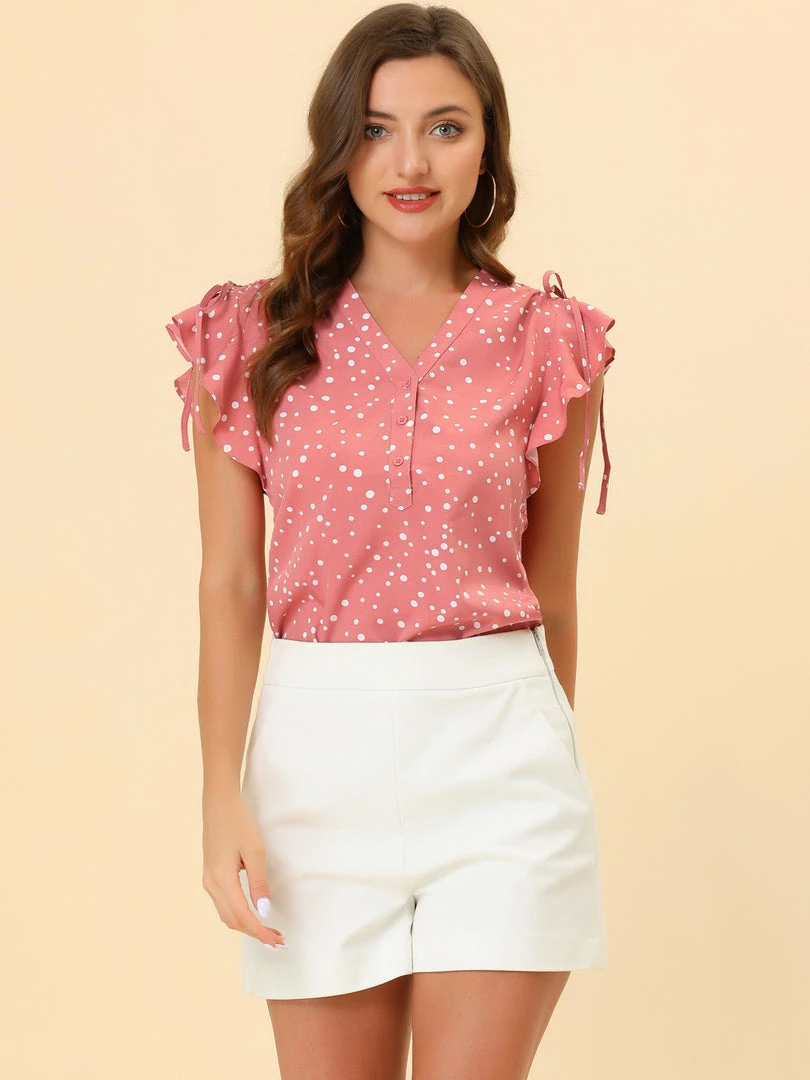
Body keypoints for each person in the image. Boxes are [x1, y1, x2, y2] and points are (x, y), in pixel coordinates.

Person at [165, 4, 616, 1077]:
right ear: (338, 145)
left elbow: (553, 594)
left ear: (488, 145)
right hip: (313, 767)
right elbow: (229, 584)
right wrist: (220, 791)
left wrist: (539, 742)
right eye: (375, 129)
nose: (410, 162)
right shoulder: (249, 335)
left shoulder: (550, 341)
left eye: (445, 128)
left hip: (502, 762)